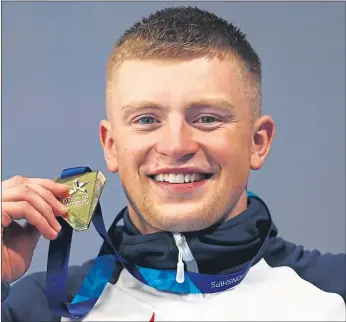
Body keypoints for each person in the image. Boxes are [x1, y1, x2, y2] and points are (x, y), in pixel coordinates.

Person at [1, 6, 345, 321]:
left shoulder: (335, 293)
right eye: (147, 120)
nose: (176, 146)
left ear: (258, 143)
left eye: (208, 118)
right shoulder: (40, 308)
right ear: (111, 146)